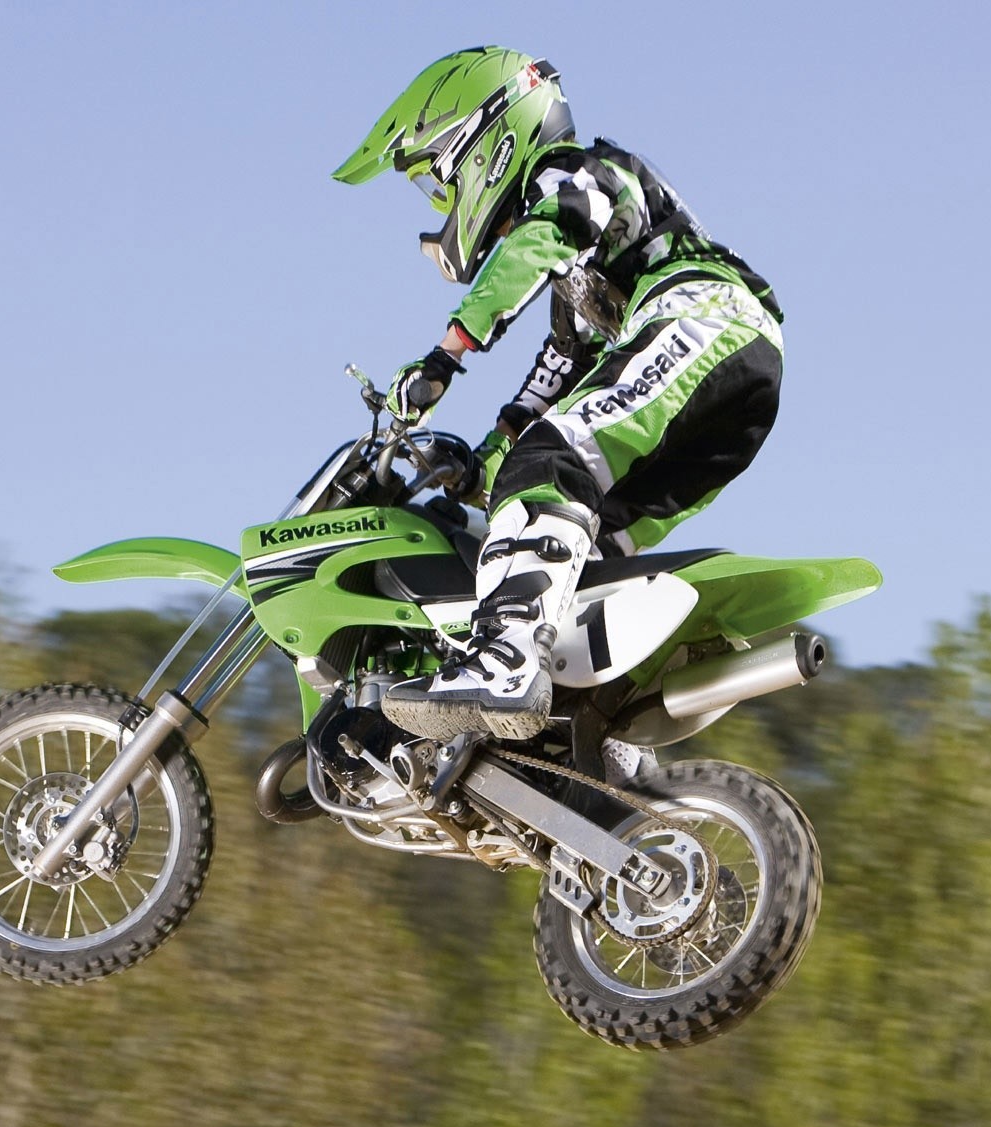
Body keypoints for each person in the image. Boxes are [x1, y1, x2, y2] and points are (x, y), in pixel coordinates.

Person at [332, 46, 787, 742]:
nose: (443, 204)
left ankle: (504, 659)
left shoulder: (579, 172)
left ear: (486, 144)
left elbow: (544, 238)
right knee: (588, 549)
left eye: (440, 182)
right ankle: (599, 751)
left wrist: (447, 355)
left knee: (555, 461)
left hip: (705, 318)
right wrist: (480, 464)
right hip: (732, 386)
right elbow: (557, 374)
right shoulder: (576, 274)